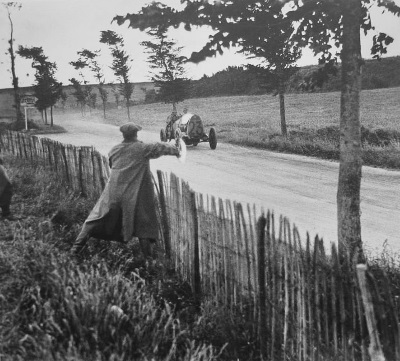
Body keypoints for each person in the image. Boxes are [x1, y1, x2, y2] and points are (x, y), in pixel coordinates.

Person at [71, 122, 181, 258]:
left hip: (113, 194)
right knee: (143, 227)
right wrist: (176, 150)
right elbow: (160, 147)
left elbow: (112, 165)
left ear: (123, 134)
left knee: (93, 220)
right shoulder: (143, 148)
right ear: (136, 134)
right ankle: (149, 261)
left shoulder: (114, 150)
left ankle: (74, 251)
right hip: (133, 196)